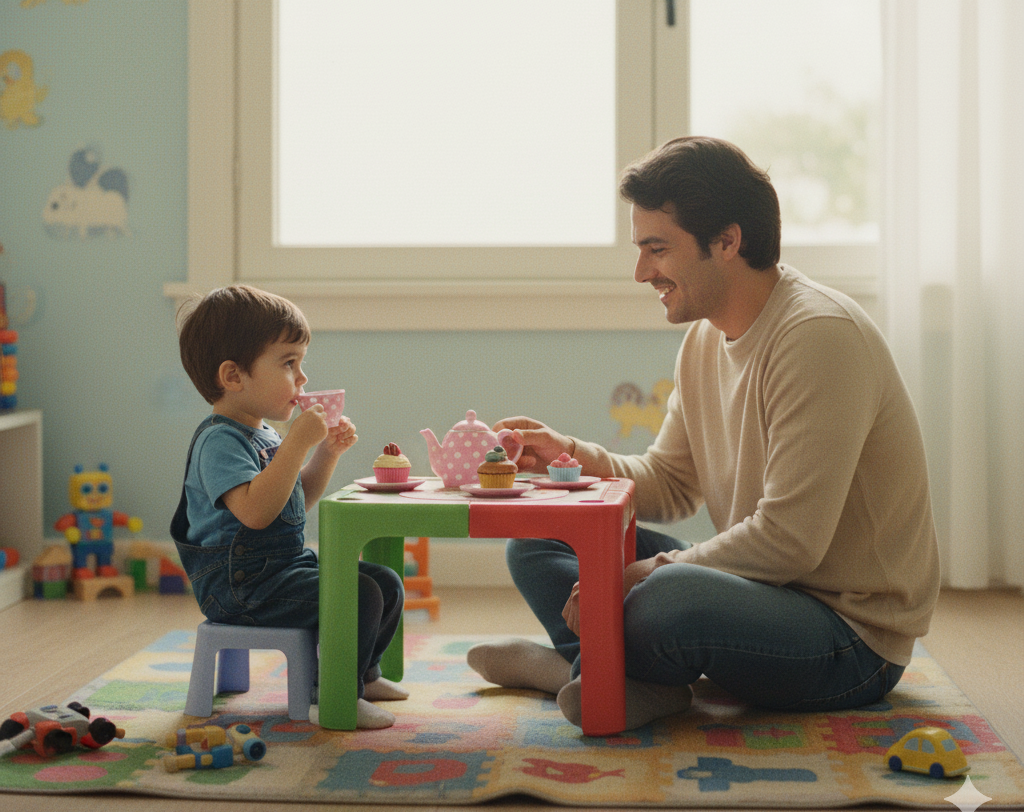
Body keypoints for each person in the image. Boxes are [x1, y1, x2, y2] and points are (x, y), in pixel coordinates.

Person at [469, 136, 940, 732]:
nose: (642, 272)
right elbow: (669, 484)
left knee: (666, 599)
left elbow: (792, 542)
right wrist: (570, 457)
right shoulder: (704, 339)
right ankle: (613, 680)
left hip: (847, 638)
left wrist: (647, 571)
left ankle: (586, 672)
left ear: (727, 241)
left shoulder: (819, 336)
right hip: (759, 592)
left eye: (656, 249)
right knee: (544, 535)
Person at [173, 285, 406, 729]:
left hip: (279, 571)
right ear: (233, 376)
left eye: (301, 364)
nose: (302, 379)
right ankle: (334, 691)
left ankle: (361, 673)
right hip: (240, 586)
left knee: (385, 582)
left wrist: (326, 454)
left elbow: (295, 499)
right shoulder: (219, 441)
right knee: (359, 594)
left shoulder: (264, 434)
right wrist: (298, 442)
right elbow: (256, 513)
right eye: (288, 363)